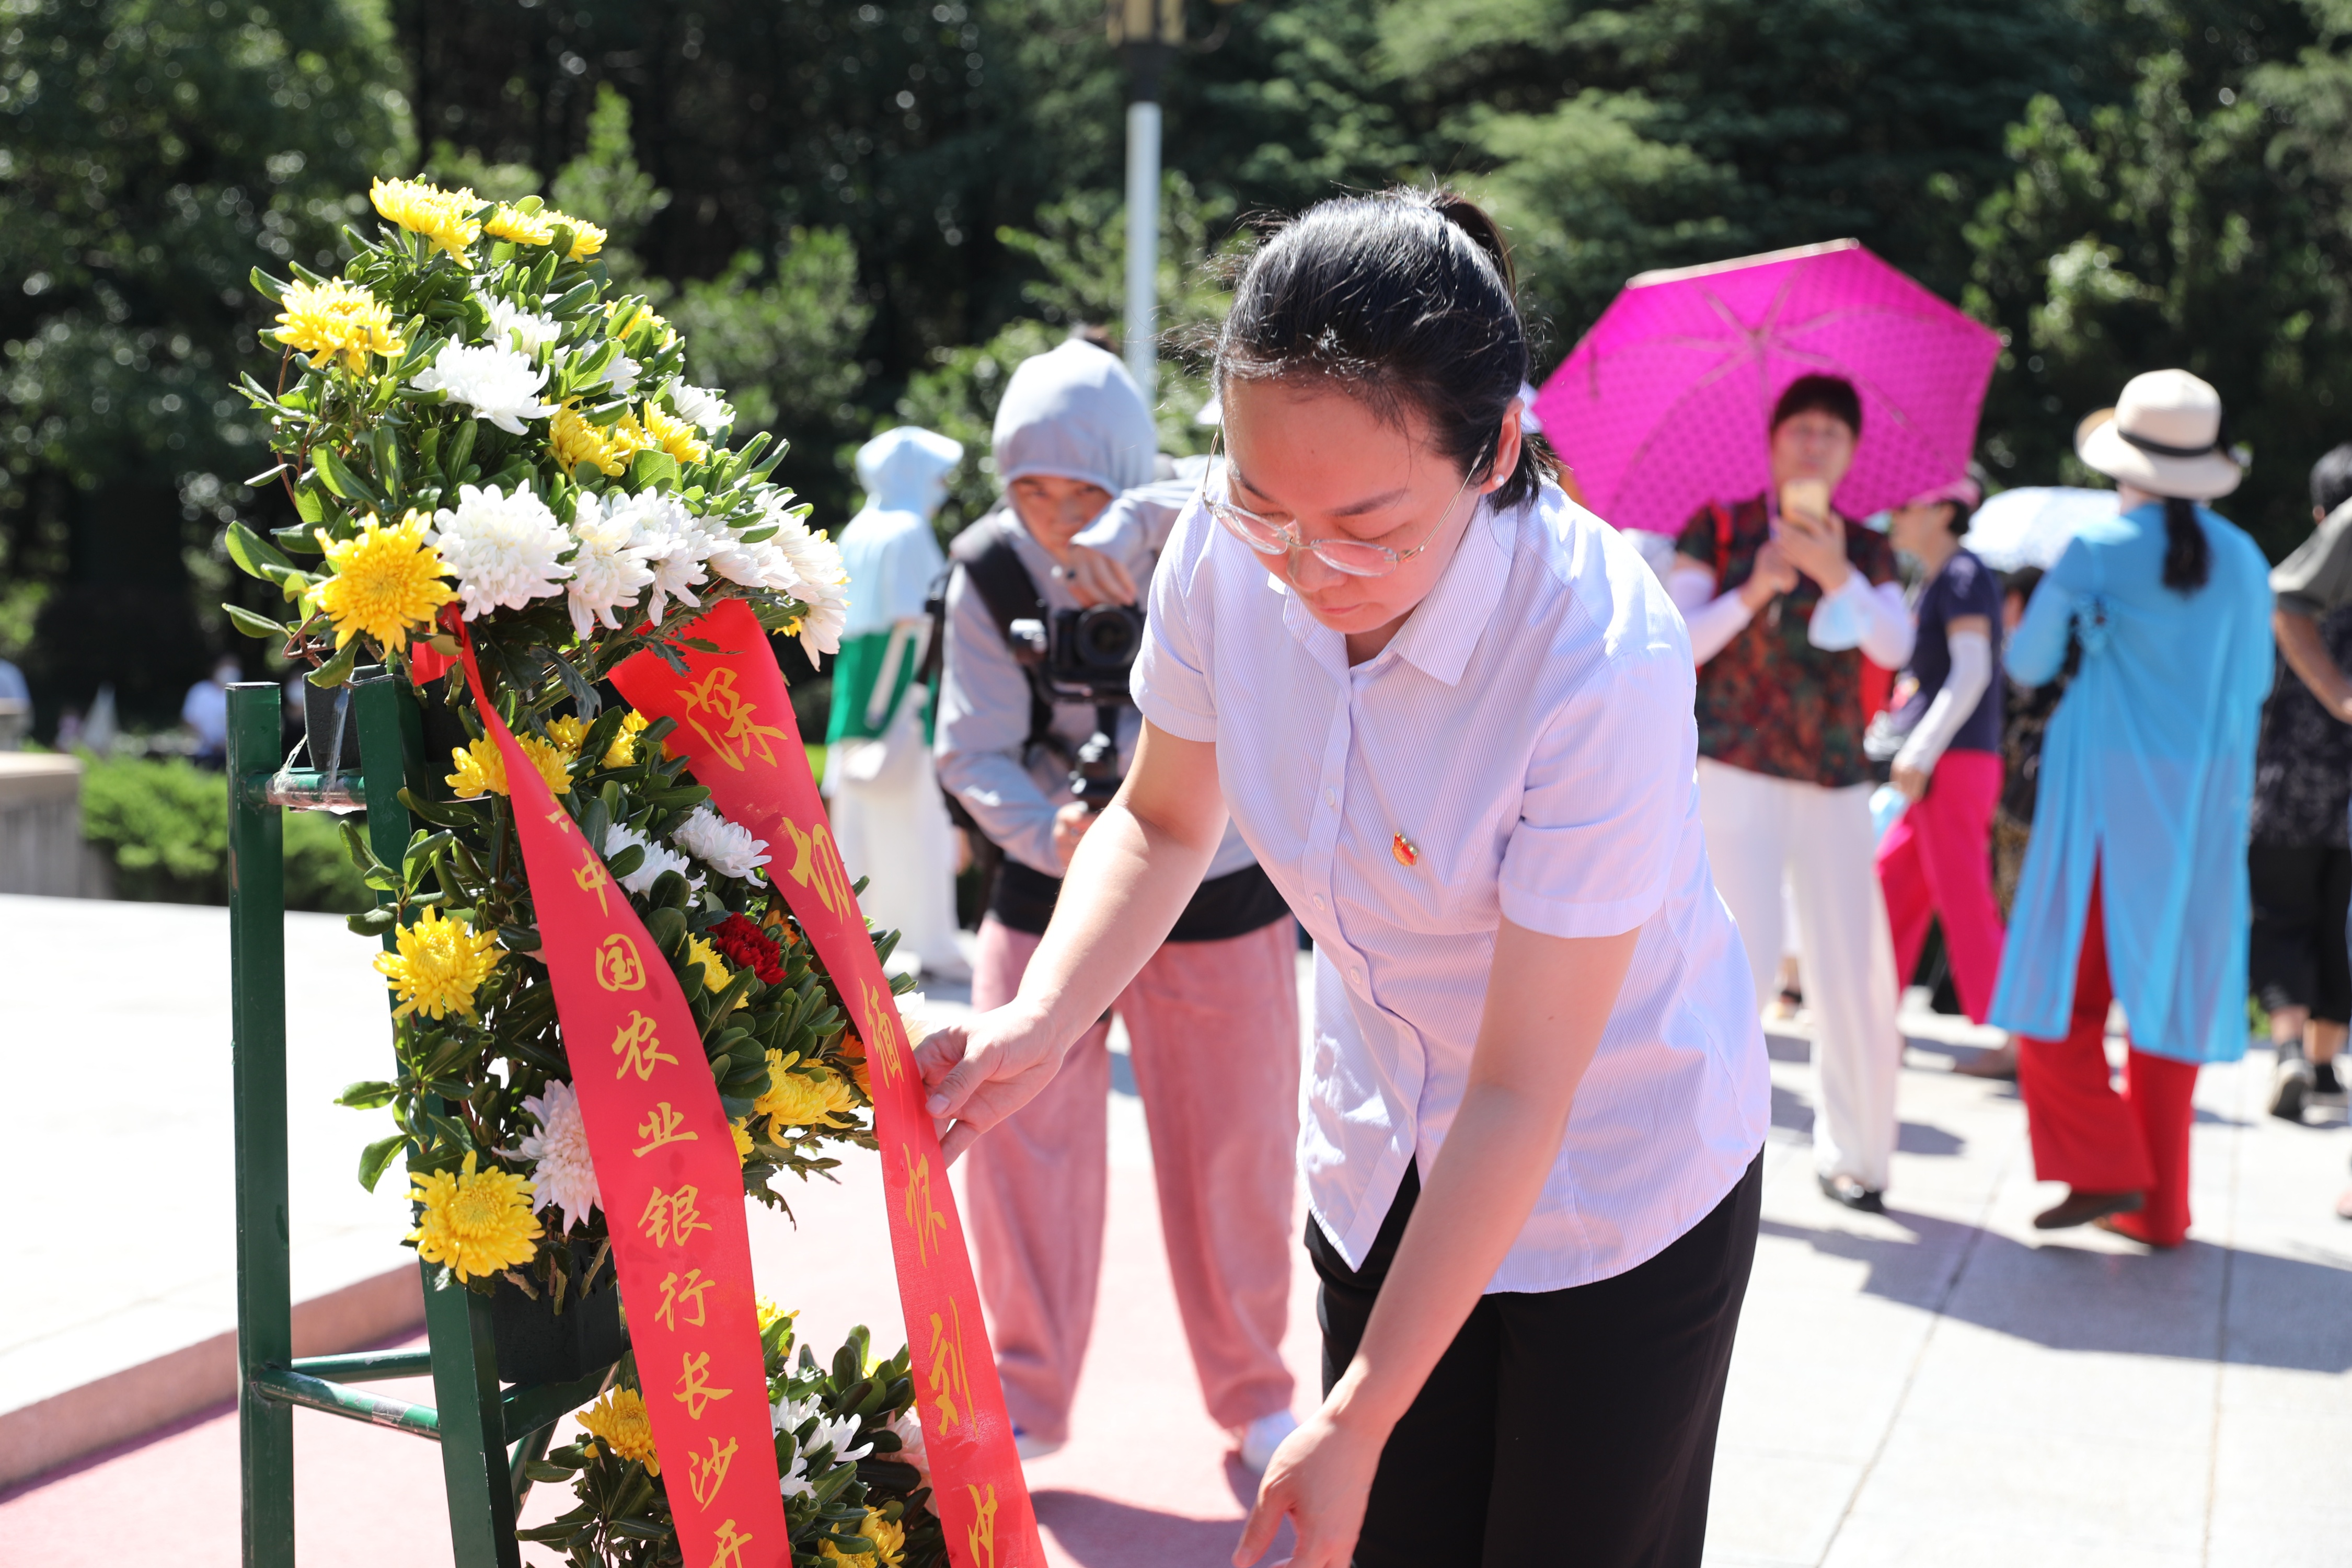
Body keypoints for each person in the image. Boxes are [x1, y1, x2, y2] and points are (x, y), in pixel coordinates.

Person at [920, 189, 1768, 1568]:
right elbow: (1162, 819)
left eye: (1369, 526)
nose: (1309, 568)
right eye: (1266, 507)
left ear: (1494, 450)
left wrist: (1362, 1413)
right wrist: (1044, 1018)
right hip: (1386, 1144)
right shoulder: (1221, 550)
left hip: (1615, 1170)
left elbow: (1522, 1089)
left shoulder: (1595, 657)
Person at [931, 335, 1304, 1470]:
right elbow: (971, 746)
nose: (1054, 518)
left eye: (1084, 492)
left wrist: (1140, 527)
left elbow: (1266, 513)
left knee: (1237, 1151)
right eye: (1030, 490)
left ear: (1130, 474)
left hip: (1218, 885)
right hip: (1045, 884)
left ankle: (1256, 1396)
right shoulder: (990, 569)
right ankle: (1025, 1395)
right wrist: (1044, 823)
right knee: (1016, 1147)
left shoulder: (1206, 531)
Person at [1990, 370, 2271, 1248]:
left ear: (2126, 461)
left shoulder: (2096, 549)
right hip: (2202, 820)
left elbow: (2027, 665)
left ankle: (2107, 1163)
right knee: (2170, 1009)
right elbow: (2254, 685)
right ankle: (2159, 1210)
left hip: (2101, 816)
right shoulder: (2245, 560)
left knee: (2051, 1000)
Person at [1667, 375, 1916, 1212]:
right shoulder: (1722, 525)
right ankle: (1706, 1152)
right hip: (1732, 767)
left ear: (1851, 453)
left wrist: (1837, 575)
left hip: (1835, 776)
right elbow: (1676, 642)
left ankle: (1859, 1157)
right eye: (1801, 430)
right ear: (1773, 441)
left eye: (1831, 434)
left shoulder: (1867, 547)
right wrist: (1758, 586)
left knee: (1852, 969)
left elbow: (1895, 643)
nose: (1814, 446)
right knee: (1732, 960)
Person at [825, 424, 970, 982]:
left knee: (858, 831)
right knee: (918, 826)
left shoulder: (858, 530)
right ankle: (928, 945)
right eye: (937, 476)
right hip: (904, 696)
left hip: (858, 694)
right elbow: (923, 620)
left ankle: (860, 944)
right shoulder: (909, 531)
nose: (941, 487)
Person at [1872, 480, 2010, 1054]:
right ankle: (1874, 1020)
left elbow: (1972, 670)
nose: (1894, 513)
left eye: (1906, 503)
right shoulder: (1940, 578)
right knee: (1891, 886)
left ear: (1944, 510)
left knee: (1963, 898)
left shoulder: (1962, 574)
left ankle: (2021, 1041)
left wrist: (1920, 750)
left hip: (1952, 761)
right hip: (1941, 762)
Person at [2256, 443, 2352, 1214]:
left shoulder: (2306, 573)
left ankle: (2291, 1048)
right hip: (2341, 792)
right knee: (2334, 926)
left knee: (2284, 919)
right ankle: (2320, 1063)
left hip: (2289, 779)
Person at [182, 655, 240, 766]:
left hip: (232, 755)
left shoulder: (240, 695)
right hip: (201, 752)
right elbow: (188, 721)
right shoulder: (200, 691)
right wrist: (209, 742)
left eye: (234, 666)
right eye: (226, 666)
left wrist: (226, 743)